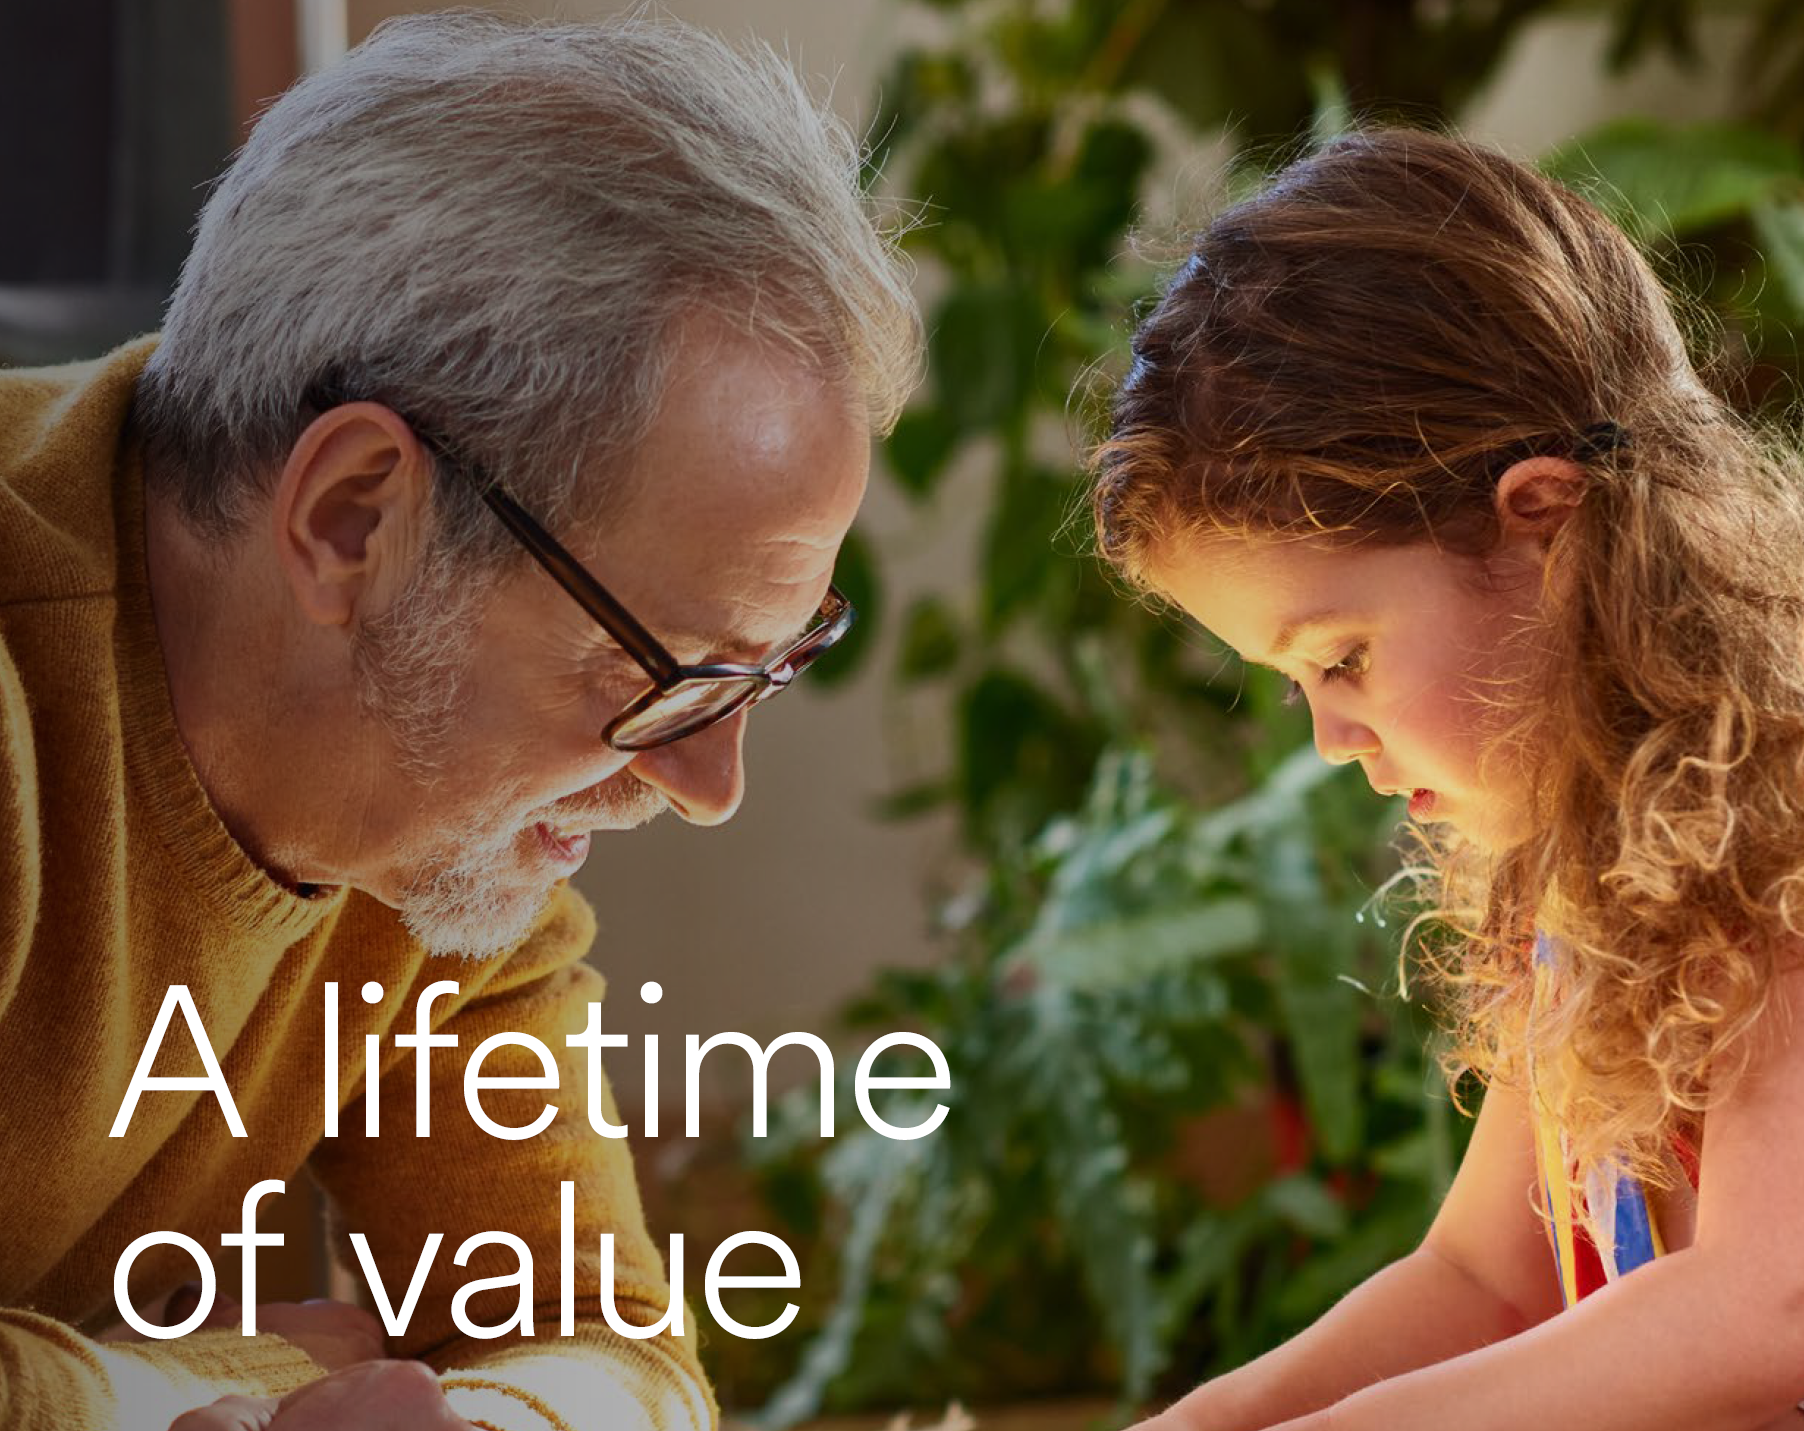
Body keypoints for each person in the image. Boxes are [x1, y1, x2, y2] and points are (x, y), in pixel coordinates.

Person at [0, 12, 919, 1431]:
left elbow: (610, 1350)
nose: (705, 781)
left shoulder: (439, 847)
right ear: (353, 516)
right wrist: (238, 1385)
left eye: (763, 671)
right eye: (668, 668)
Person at [1090, 127, 1804, 1430]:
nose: (1329, 736)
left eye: (1344, 656)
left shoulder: (1780, 842)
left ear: (1549, 525)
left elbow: (1773, 1305)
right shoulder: (1580, 888)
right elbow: (1489, 1279)